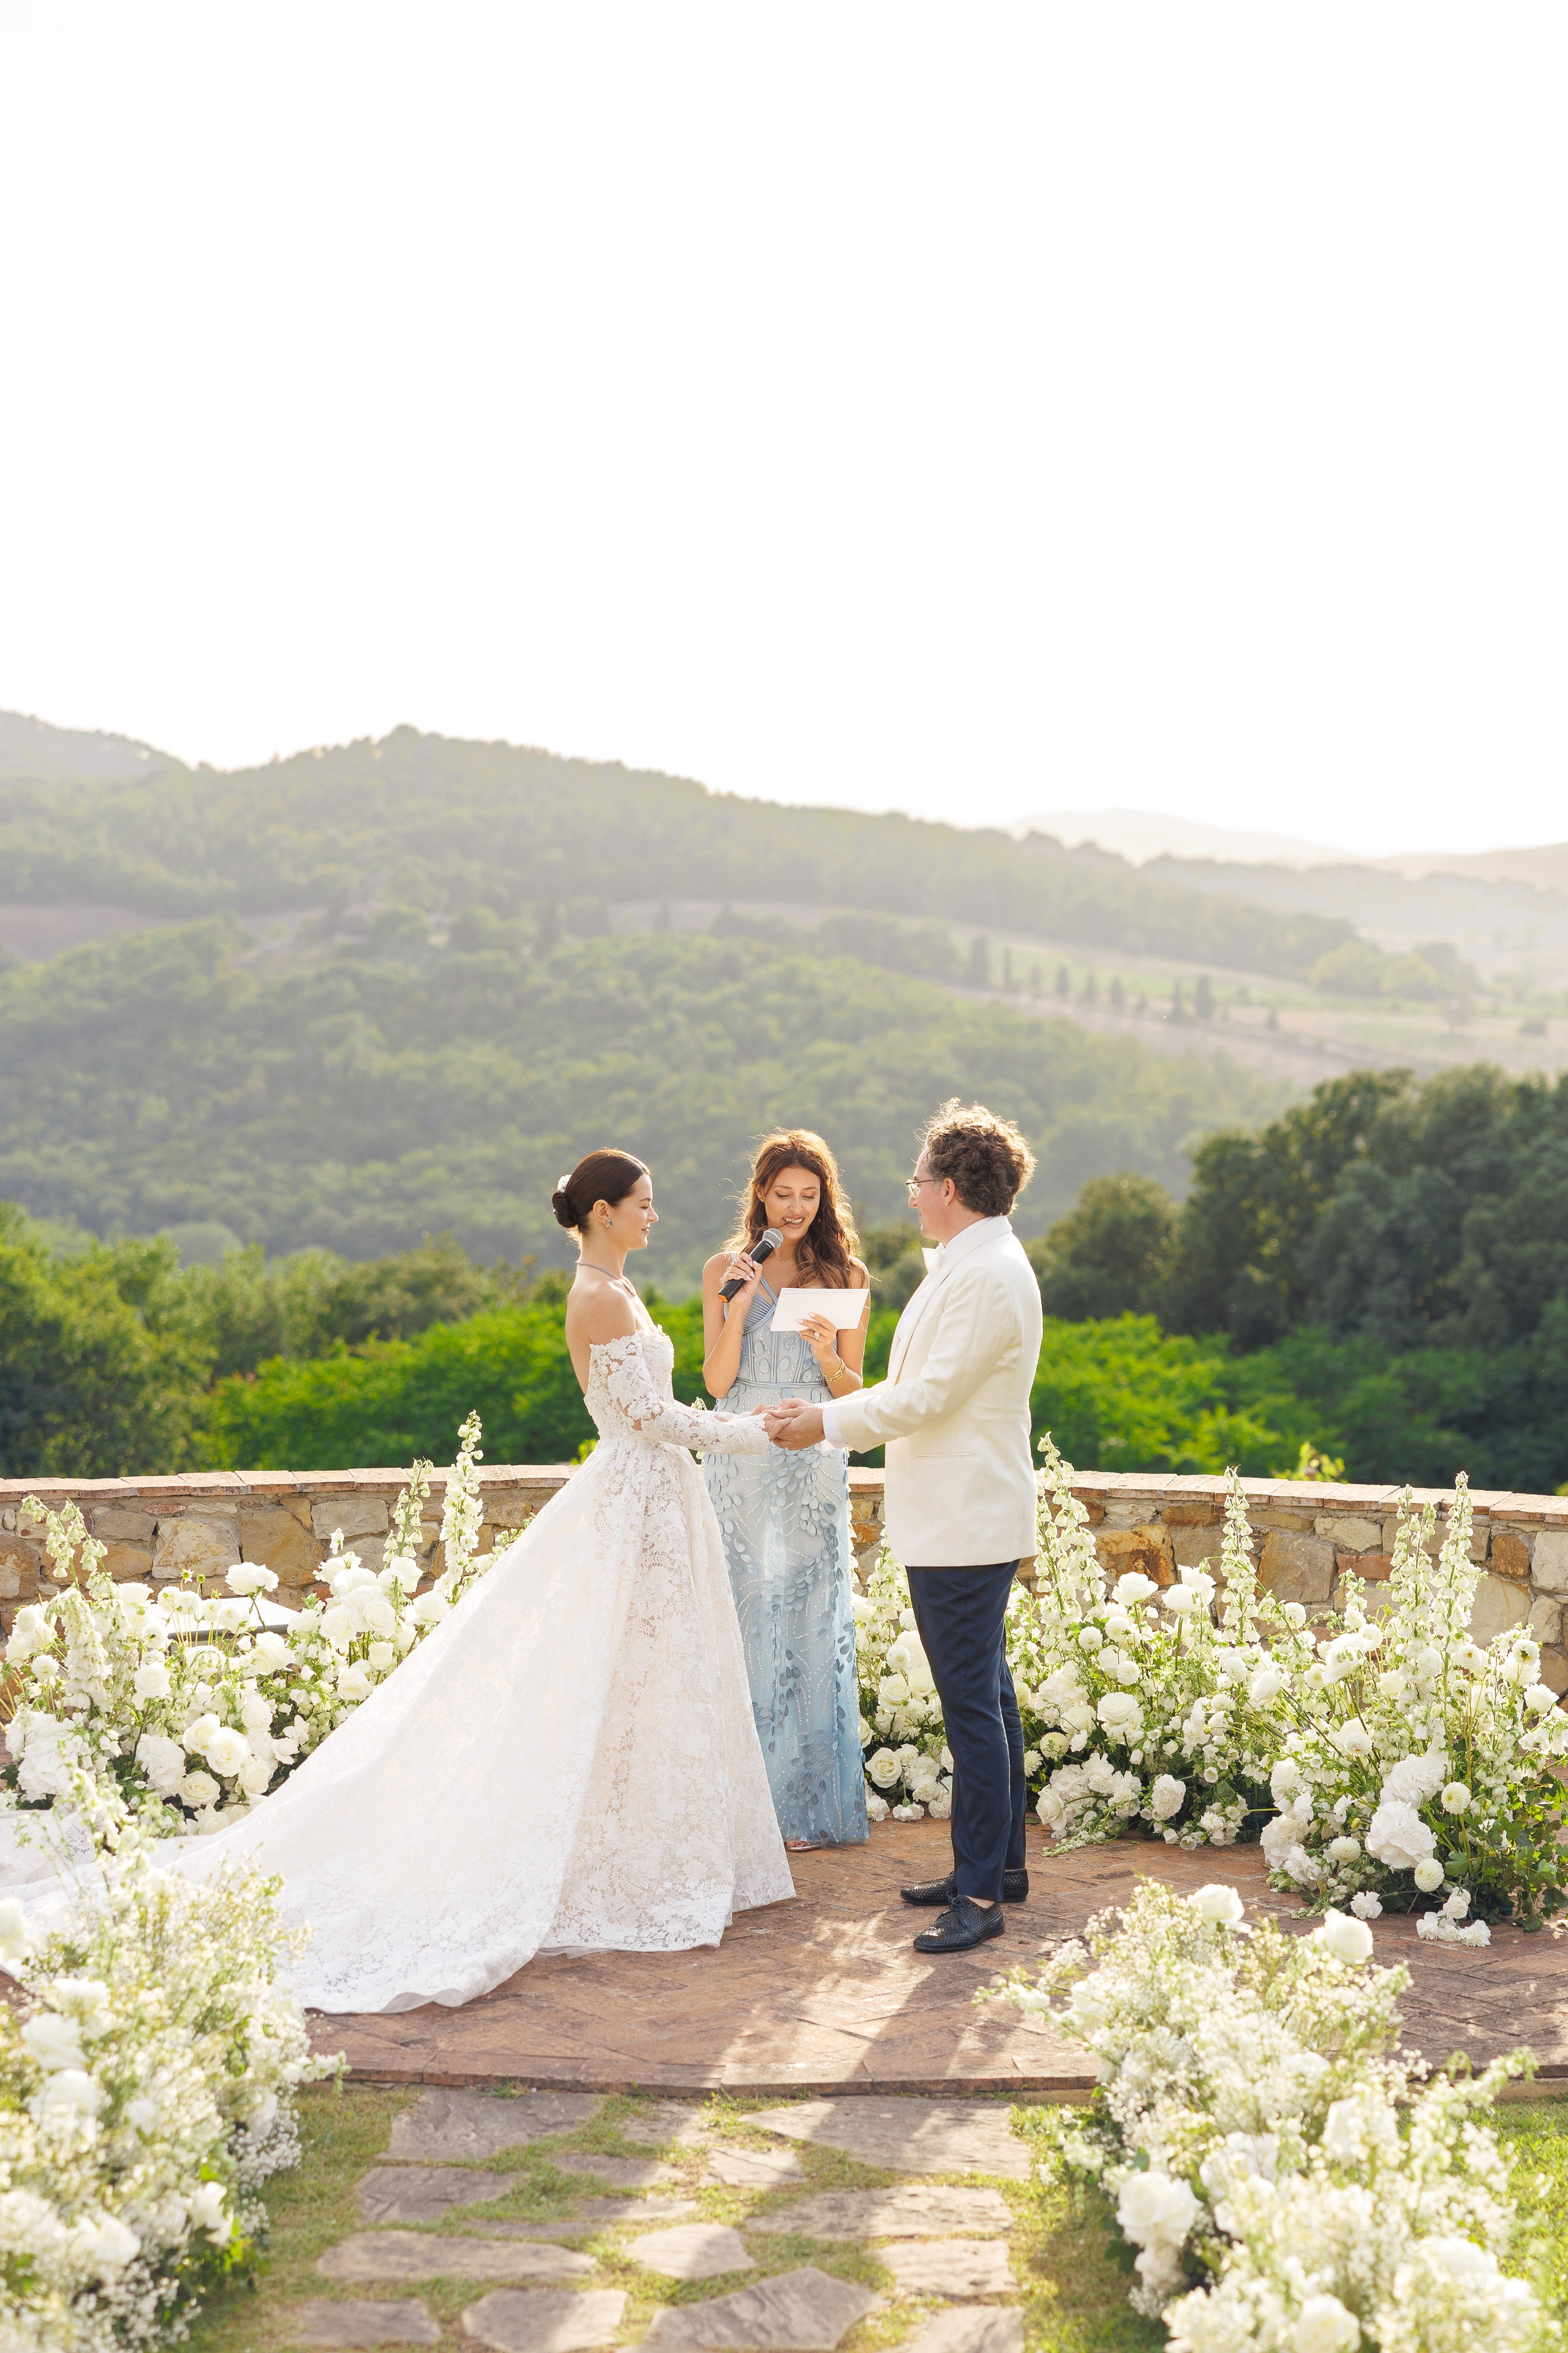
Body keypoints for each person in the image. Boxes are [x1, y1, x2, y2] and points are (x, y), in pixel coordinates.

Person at [2, 1150, 795, 2013]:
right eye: (642, 1204)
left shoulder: (624, 1289)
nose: (654, 1215)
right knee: (603, 1675)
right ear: (602, 1212)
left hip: (655, 1498)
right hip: (633, 1491)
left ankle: (638, 1849)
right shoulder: (598, 1297)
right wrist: (755, 1431)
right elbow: (646, 1418)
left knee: (649, 1678)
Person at [767, 1101, 1042, 1955]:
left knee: (974, 1709)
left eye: (920, 1180)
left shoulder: (988, 1273)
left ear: (951, 1187)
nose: (912, 1193)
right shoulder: (972, 1261)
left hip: (965, 1519)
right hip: (962, 1513)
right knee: (989, 1695)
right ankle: (998, 1869)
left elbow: (929, 1397)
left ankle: (978, 1895)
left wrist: (824, 1420)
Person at [701, 1131, 871, 1852]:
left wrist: (825, 1351)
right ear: (761, 1196)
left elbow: (857, 1393)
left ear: (824, 1198)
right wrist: (736, 1307)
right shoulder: (723, 1267)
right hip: (739, 1452)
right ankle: (737, 1805)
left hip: (810, 1452)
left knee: (807, 1612)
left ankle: (800, 1807)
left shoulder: (846, 1274)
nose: (796, 1207)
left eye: (809, 1194)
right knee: (738, 1614)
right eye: (783, 1193)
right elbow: (714, 1383)